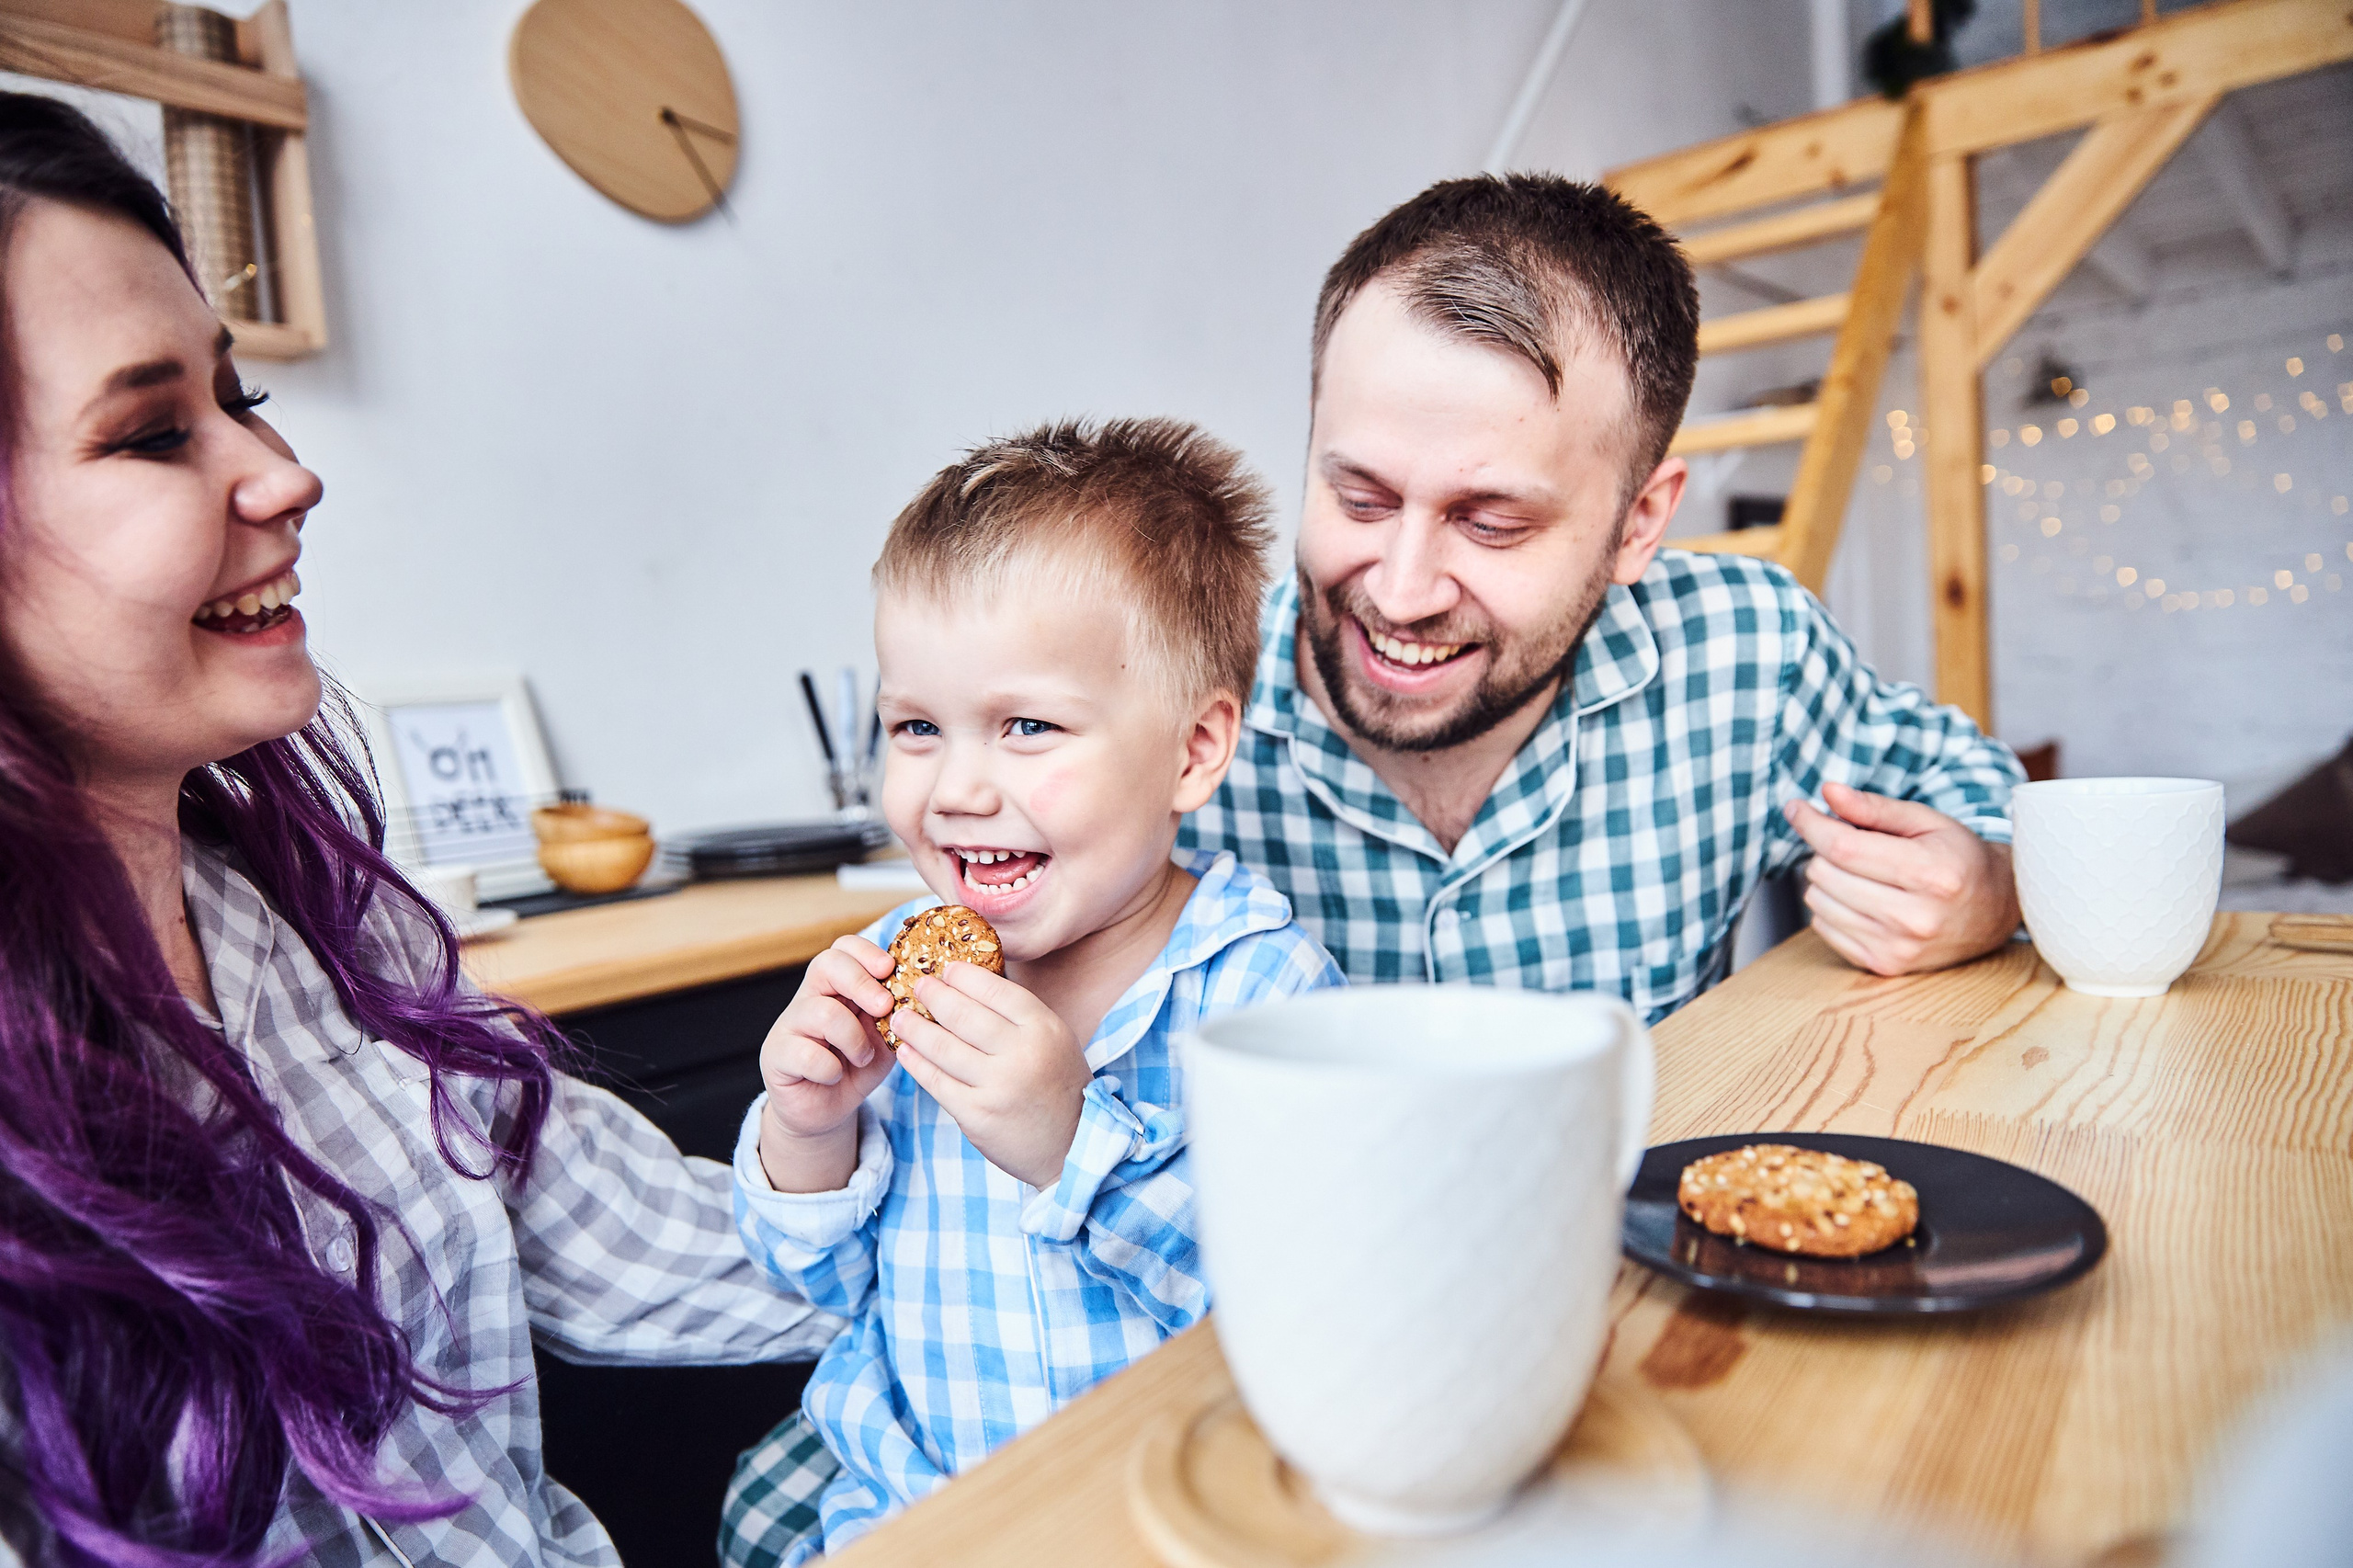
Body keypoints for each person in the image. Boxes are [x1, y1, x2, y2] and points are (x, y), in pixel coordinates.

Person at [0, 95, 835, 1567]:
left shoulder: (338, 928)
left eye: (236, 390)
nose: (283, 471)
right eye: (148, 433)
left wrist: (1060, 1188)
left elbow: (660, 1244)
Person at [720, 420, 1345, 1565]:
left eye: (1026, 726)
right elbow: (811, 1280)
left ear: (1194, 752)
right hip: (915, 1517)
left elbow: (1316, 1322)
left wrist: (1073, 1143)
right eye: (915, 726)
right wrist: (808, 1131)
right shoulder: (889, 963)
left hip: (1178, 1524)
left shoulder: (1266, 990)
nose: (956, 787)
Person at [1181, 175, 2025, 1019]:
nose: (1401, 596)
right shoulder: (1167, 691)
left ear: (1639, 524)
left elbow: (1981, 798)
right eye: (1360, 498)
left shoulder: (1746, 655)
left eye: (1494, 524)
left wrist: (1991, 890)